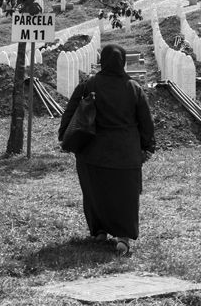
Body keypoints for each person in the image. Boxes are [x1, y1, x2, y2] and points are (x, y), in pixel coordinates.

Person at [59, 44, 156, 256]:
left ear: (102, 60)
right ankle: (123, 238)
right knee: (125, 197)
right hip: (125, 153)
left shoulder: (89, 84)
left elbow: (71, 112)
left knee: (95, 192)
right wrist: (148, 147)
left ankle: (99, 231)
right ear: (123, 62)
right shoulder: (133, 88)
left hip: (92, 152)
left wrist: (64, 137)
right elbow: (146, 122)